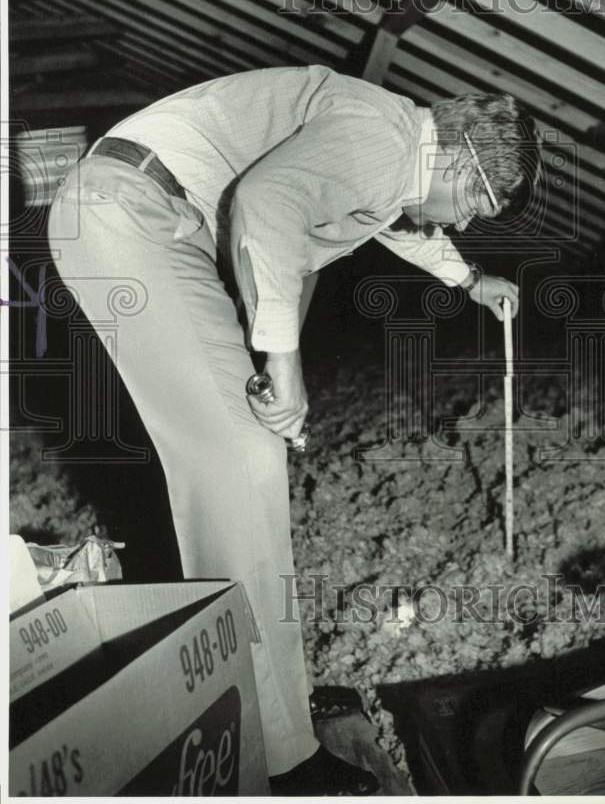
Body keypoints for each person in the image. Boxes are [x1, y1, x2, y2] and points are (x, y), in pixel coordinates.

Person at [47, 65, 541, 795]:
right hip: (137, 214)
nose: (465, 220)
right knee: (242, 456)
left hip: (144, 211)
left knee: (239, 456)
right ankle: (276, 751)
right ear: (461, 155)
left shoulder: (395, 142)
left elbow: (395, 221)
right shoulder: (380, 138)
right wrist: (287, 364)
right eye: (476, 200)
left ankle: (252, 701)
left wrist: (467, 280)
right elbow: (267, 202)